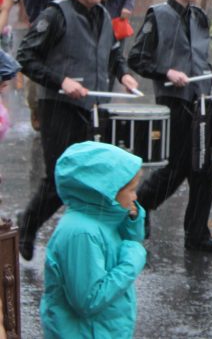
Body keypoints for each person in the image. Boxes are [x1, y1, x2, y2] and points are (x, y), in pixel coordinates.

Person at [16, 0, 140, 261]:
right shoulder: (55, 14)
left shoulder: (102, 15)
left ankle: (89, 240)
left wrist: (124, 75)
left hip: (91, 106)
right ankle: (28, 226)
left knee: (89, 176)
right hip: (58, 106)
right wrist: (62, 81)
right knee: (60, 178)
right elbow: (26, 57)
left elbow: (113, 54)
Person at [129, 0, 212, 252]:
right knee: (176, 168)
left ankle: (197, 233)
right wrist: (166, 72)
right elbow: (137, 58)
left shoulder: (199, 15)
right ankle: (140, 203)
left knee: (204, 167)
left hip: (201, 100)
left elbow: (200, 59)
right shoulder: (157, 15)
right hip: (174, 101)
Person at [40, 141, 146, 339]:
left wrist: (131, 220)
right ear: (106, 192)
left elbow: (125, 243)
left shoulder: (101, 217)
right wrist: (132, 261)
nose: (135, 196)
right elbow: (88, 300)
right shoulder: (81, 234)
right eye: (130, 190)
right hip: (86, 332)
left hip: (101, 329)